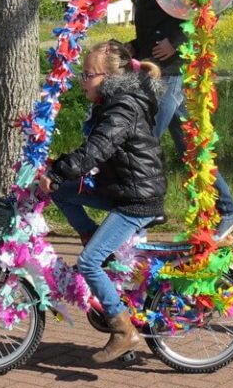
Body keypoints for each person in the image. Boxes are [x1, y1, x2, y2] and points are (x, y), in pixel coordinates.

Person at [40, 40, 166, 363]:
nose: (82, 81)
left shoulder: (122, 107)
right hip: (118, 188)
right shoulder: (110, 102)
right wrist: (57, 170)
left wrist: (58, 170)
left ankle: (123, 330)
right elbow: (93, 153)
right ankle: (91, 236)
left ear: (108, 78)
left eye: (87, 75)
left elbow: (96, 149)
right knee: (62, 192)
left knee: (88, 263)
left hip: (136, 199)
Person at [121, 0, 233, 239]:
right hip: (157, 69)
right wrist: (134, 47)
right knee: (190, 147)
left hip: (170, 73)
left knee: (144, 140)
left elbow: (201, 12)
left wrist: (174, 42)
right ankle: (229, 210)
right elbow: (154, 27)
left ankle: (142, 212)